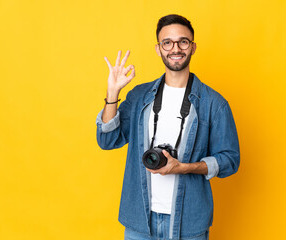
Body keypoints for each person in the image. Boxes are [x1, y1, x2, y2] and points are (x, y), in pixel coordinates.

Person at [96, 14, 240, 240]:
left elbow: (230, 161)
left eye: (183, 42)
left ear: (192, 47)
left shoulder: (214, 103)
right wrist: (112, 94)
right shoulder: (139, 96)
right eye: (167, 42)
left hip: (189, 222)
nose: (176, 49)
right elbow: (107, 140)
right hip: (139, 222)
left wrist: (184, 167)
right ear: (158, 48)